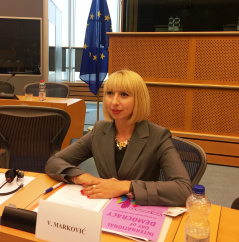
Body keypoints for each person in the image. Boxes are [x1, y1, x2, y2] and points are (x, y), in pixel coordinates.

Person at [45, 69, 192, 206]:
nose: (114, 102)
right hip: (102, 205)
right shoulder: (99, 130)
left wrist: (125, 186)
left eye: (124, 94)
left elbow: (184, 189)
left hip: (139, 209)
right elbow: (54, 162)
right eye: (110, 93)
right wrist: (82, 177)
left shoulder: (158, 136)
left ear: (138, 99)